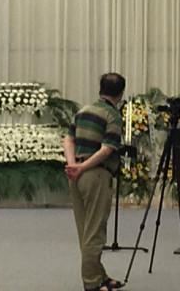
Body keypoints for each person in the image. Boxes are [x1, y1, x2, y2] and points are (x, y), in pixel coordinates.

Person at [63, 73, 126, 291]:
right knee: (95, 231)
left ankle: (99, 276)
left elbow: (68, 138)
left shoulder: (83, 110)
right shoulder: (113, 116)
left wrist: (73, 165)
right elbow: (107, 148)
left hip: (76, 175)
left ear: (100, 89)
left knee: (85, 230)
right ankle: (91, 283)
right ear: (120, 93)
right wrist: (83, 167)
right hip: (96, 175)